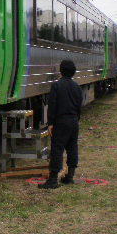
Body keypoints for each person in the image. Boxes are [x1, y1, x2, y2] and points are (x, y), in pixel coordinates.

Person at [39, 60, 83, 189]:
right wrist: (76, 119)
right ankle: (69, 176)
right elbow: (79, 106)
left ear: (61, 71)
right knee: (72, 148)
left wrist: (50, 123)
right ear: (74, 72)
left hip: (61, 122)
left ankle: (53, 180)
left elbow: (52, 106)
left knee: (57, 149)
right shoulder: (77, 87)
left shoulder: (56, 86)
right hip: (74, 121)